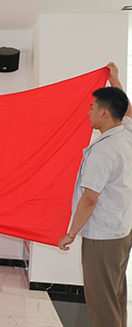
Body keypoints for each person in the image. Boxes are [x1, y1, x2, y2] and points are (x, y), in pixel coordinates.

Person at [58, 62, 132, 327]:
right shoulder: (126, 135)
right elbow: (127, 111)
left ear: (104, 113)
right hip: (121, 231)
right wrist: (116, 82)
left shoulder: (103, 151)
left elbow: (90, 198)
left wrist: (71, 233)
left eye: (91, 108)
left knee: (101, 303)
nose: (88, 112)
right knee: (115, 295)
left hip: (102, 237)